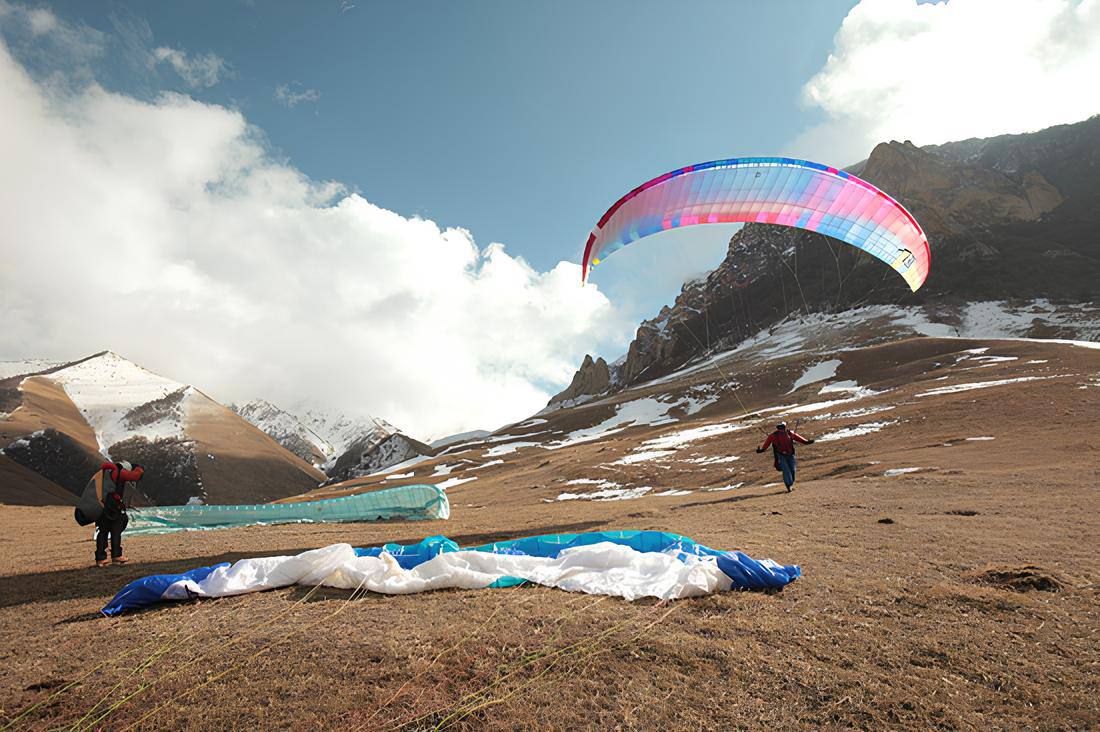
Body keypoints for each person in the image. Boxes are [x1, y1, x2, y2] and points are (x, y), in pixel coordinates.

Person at [93, 461, 145, 567]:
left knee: (103, 531)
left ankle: (101, 558)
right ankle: (116, 555)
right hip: (113, 506)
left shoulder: (104, 473)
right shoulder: (119, 472)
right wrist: (139, 468)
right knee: (116, 529)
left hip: (101, 506)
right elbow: (135, 476)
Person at [756, 423, 813, 493]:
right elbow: (767, 443)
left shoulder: (787, 433)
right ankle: (788, 485)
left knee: (792, 470)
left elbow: (798, 438)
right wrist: (762, 450)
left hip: (790, 454)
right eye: (780, 427)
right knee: (786, 470)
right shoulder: (775, 435)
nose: (781, 429)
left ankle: (789, 484)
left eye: (782, 427)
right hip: (781, 455)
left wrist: (806, 442)